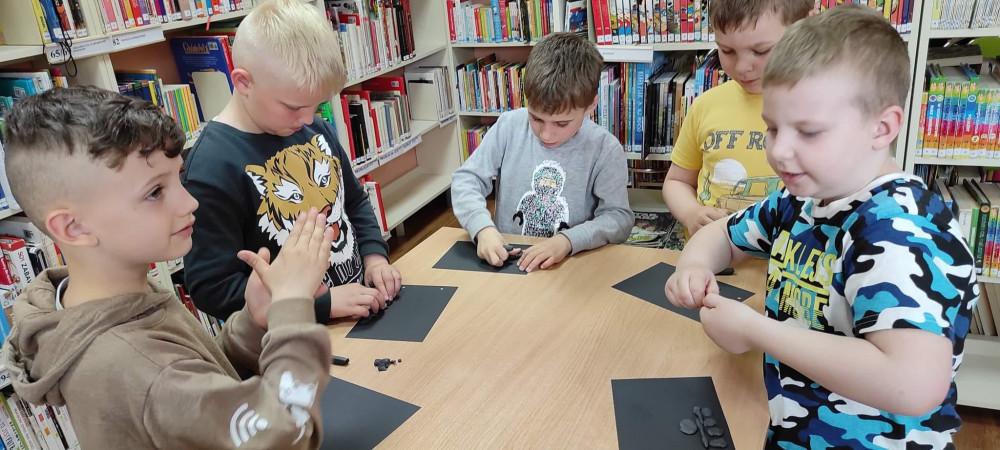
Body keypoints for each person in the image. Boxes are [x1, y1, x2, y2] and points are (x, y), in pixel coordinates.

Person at [665, 5, 979, 448]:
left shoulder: (902, 232)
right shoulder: (802, 197)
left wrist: (755, 330)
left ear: (882, 128)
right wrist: (694, 267)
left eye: (809, 132)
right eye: (773, 128)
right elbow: (723, 234)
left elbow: (913, 384)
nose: (780, 152)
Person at [2, 86, 336, 448]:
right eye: (155, 192)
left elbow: (195, 389)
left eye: (178, 176)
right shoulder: (133, 365)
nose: (190, 202)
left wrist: (252, 324)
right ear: (74, 228)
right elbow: (288, 434)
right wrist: (292, 310)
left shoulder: (110, 299)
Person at [182, 0, 394, 322]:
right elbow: (214, 288)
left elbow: (353, 202)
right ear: (243, 82)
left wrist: (374, 256)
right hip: (292, 335)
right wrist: (319, 305)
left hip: (358, 308)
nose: (308, 119)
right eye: (294, 107)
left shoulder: (313, 128)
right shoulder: (211, 168)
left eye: (316, 105)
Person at [450, 32, 634, 272]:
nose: (546, 134)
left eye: (561, 123)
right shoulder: (509, 126)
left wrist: (567, 241)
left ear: (591, 105)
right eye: (536, 118)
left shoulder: (605, 149)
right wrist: (482, 228)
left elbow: (619, 217)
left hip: (571, 267)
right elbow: (467, 179)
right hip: (509, 263)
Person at [661, 0, 814, 236]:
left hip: (792, 254)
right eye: (727, 51)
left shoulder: (827, 110)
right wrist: (691, 212)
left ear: (806, 26)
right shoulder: (706, 105)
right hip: (710, 253)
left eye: (761, 51)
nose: (742, 67)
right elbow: (677, 181)